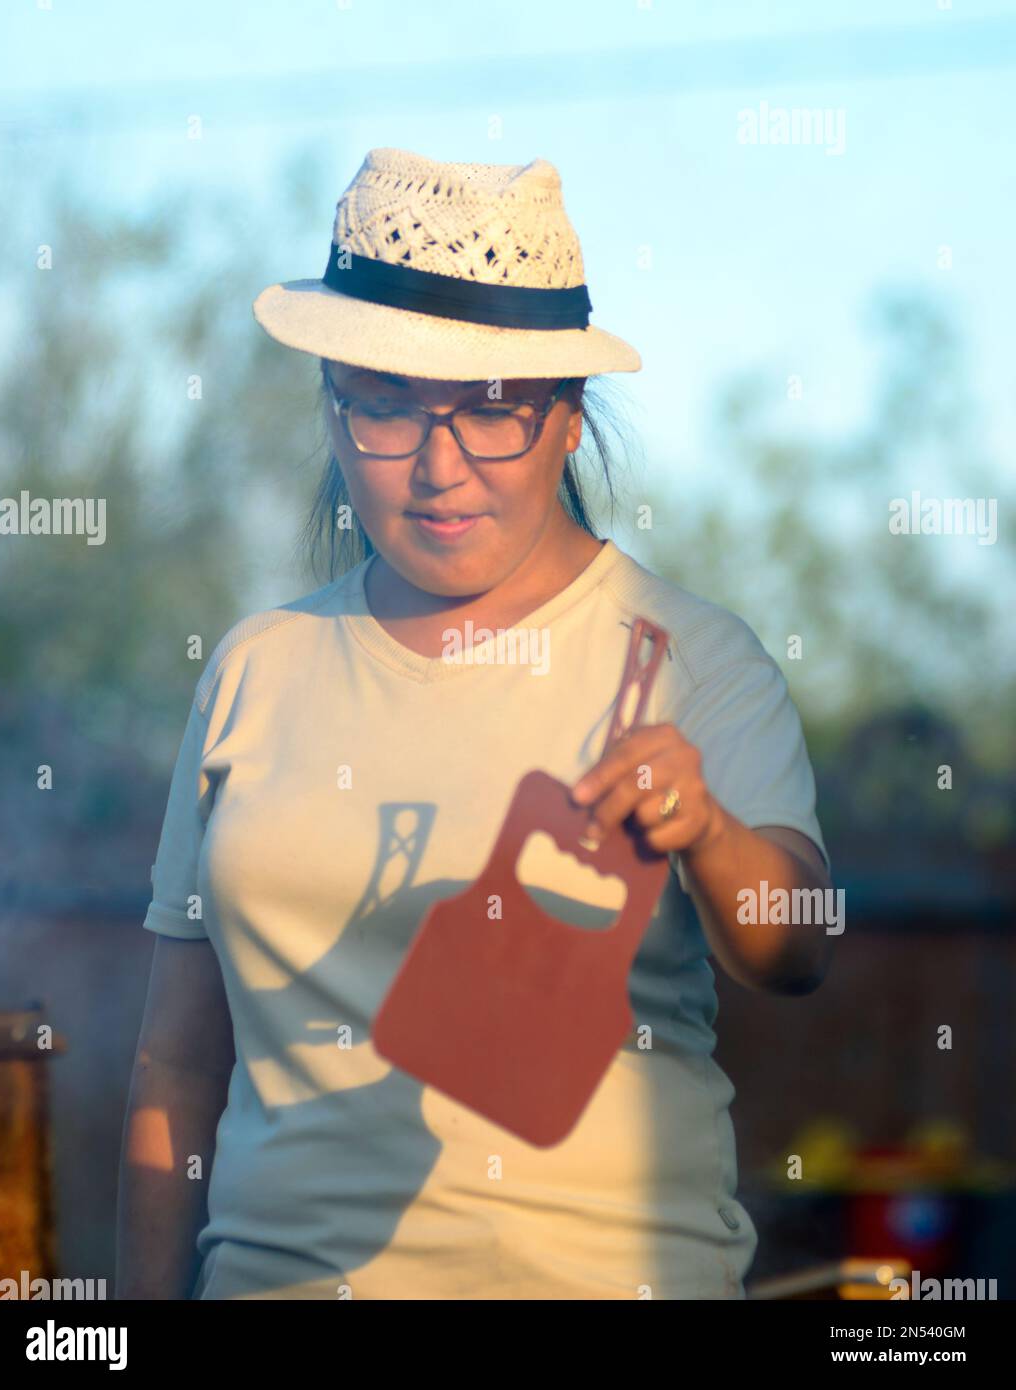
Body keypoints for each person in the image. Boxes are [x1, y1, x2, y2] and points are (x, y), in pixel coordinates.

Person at [116, 146, 834, 1301]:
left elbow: (796, 944)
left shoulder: (687, 656)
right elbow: (175, 1060)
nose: (439, 465)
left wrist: (702, 830)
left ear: (564, 418)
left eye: (490, 411)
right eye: (388, 409)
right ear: (334, 410)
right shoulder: (256, 667)